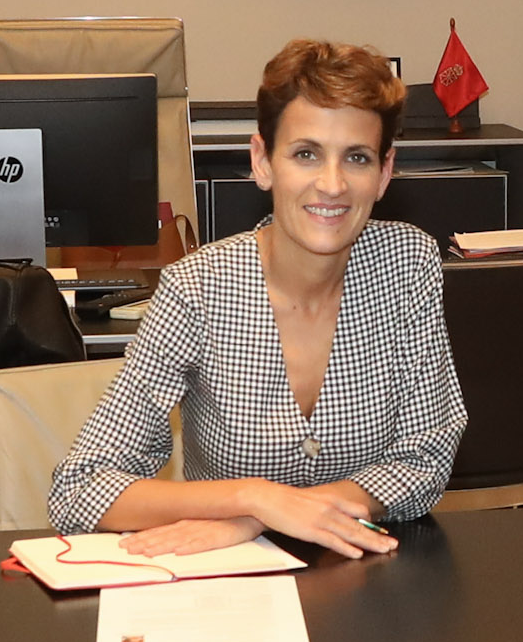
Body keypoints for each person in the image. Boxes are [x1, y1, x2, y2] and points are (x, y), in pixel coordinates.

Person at [48, 39, 464, 556]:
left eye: (356, 158)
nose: (332, 184)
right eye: (306, 154)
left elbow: (425, 460)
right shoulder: (197, 287)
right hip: (231, 583)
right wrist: (253, 499)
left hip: (365, 575)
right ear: (262, 161)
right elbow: (80, 489)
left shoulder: (408, 263)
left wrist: (257, 521)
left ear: (383, 173)